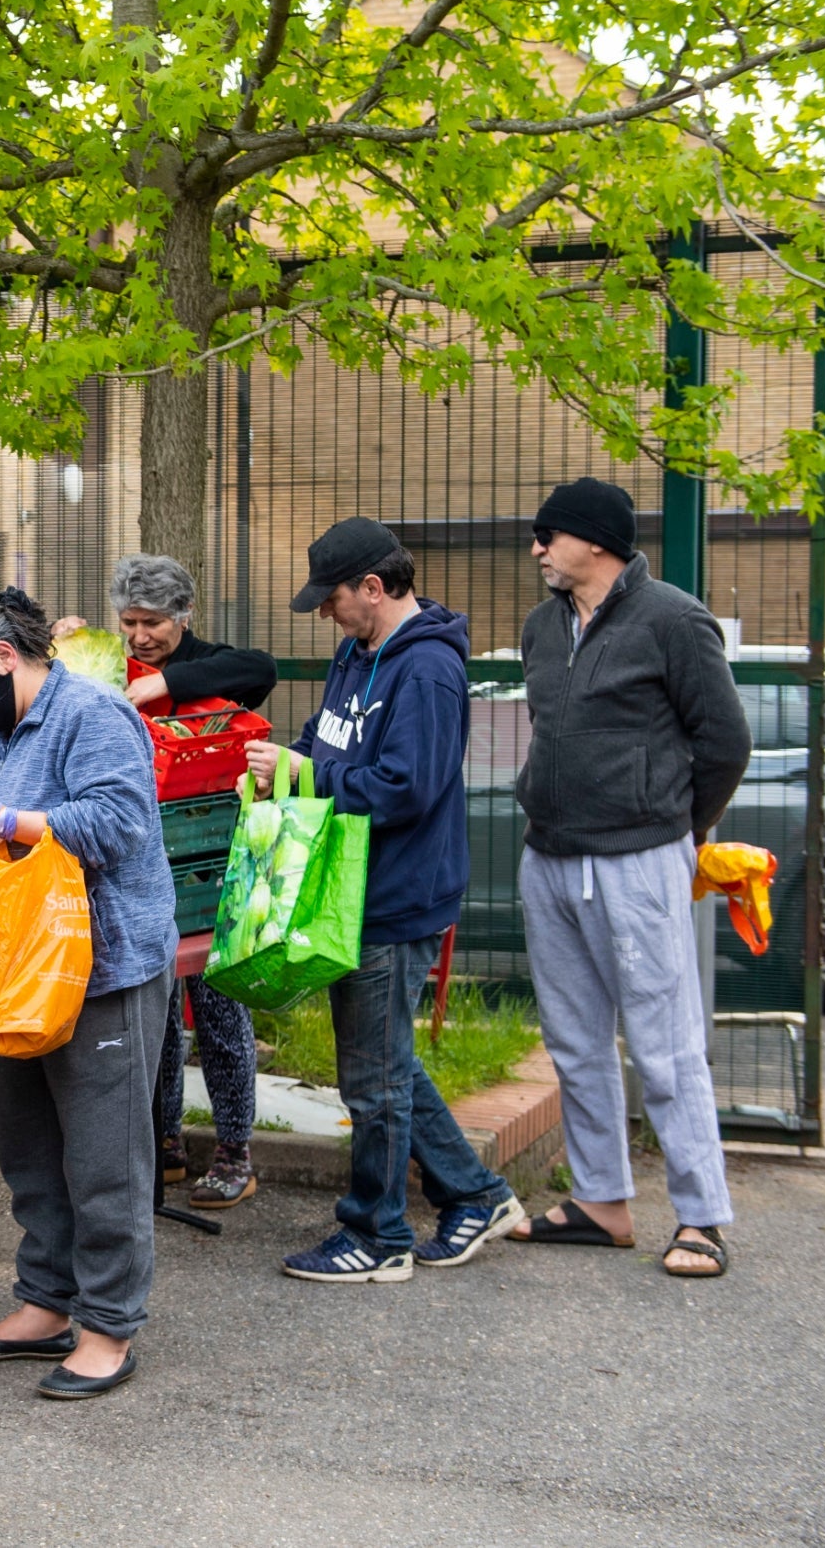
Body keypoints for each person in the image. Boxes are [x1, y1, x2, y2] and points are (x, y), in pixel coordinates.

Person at [249, 518, 521, 1283]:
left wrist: (304, 778)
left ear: (374, 586)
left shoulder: (427, 669)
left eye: (333, 598)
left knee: (372, 1080)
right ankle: (476, 1192)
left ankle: (379, 1233)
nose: (326, 613)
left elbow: (408, 785)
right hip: (353, 889)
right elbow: (331, 738)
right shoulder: (358, 650)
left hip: (393, 894)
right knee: (385, 1065)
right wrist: (294, 758)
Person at [0, 588, 176, 1401]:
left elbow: (117, 824)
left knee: (106, 1155)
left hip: (103, 965)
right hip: (19, 970)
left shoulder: (95, 714)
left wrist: (9, 821)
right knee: (30, 1147)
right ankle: (45, 1301)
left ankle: (108, 1325)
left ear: (4, 656)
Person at [509, 479, 751, 1278]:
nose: (538, 548)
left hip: (639, 856)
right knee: (575, 1040)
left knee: (664, 1040)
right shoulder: (542, 627)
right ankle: (602, 1202)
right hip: (548, 856)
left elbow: (724, 741)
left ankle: (701, 1216)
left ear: (597, 540)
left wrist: (680, 831)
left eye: (551, 535)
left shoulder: (674, 619)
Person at [99, 554, 277, 1210]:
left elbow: (261, 669)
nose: (141, 636)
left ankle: (235, 1150)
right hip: (148, 867)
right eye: (129, 622)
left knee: (221, 1008)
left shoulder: (212, 662)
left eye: (153, 623)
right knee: (161, 1016)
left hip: (214, 865)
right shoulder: (114, 670)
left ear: (184, 617)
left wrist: (162, 683)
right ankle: (166, 1140)